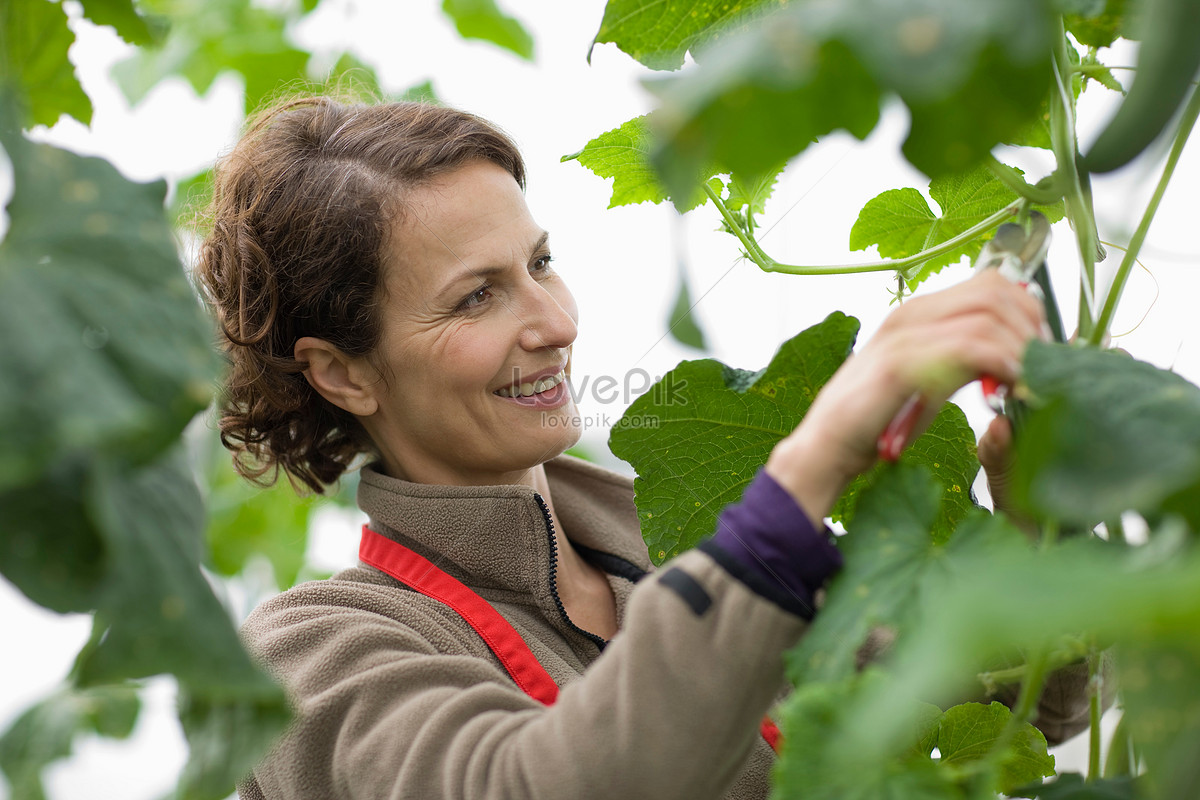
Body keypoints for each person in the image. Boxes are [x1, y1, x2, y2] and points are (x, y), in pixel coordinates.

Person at [197, 96, 1086, 800]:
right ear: (343, 374)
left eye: (540, 264)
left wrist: (1044, 521)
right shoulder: (308, 653)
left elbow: (1026, 706)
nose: (554, 322)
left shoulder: (683, 554)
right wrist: (815, 458)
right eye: (476, 297)